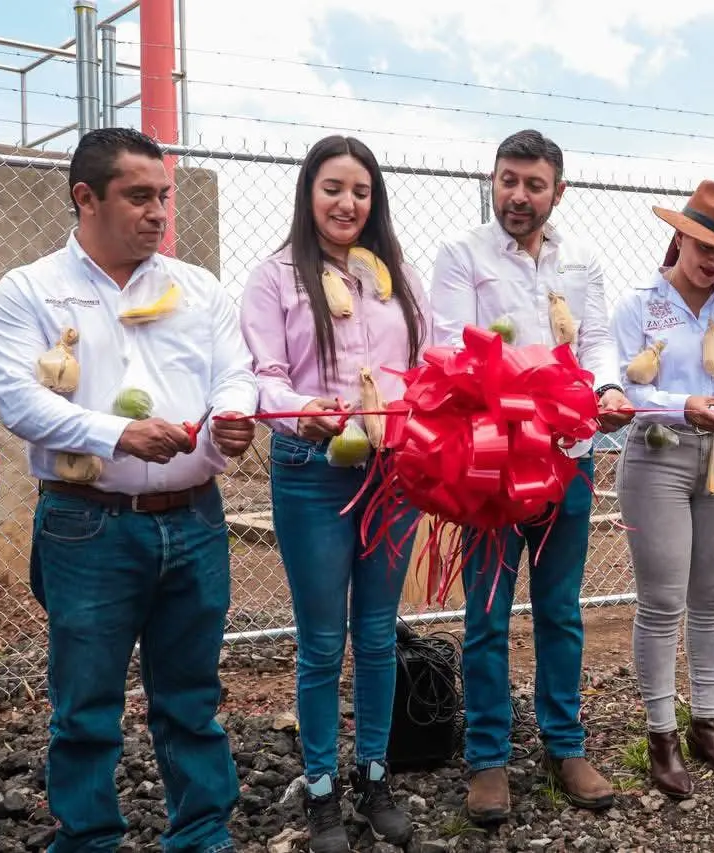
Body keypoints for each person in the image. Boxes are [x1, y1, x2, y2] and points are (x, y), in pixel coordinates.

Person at [0, 127, 258, 853]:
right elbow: (16, 400)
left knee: (192, 697)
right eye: (139, 196)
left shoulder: (197, 288)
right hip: (87, 523)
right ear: (86, 198)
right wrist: (116, 434)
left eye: (164, 195)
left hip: (195, 519)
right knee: (85, 703)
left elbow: (234, 369)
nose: (160, 212)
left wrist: (232, 416)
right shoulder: (31, 290)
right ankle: (88, 836)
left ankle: (200, 833)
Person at [430, 128, 632, 823]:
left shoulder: (582, 261)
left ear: (558, 191)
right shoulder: (461, 255)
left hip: (570, 459)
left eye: (533, 184)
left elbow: (599, 338)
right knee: (486, 615)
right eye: (507, 180)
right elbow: (451, 347)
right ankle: (487, 758)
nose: (518, 195)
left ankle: (563, 744)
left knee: (561, 610)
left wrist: (605, 389)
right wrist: (541, 389)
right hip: (494, 464)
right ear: (492, 180)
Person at [240, 135, 428, 850]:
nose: (347, 203)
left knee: (378, 635)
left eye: (360, 191)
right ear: (307, 193)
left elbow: (423, 361)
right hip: (309, 467)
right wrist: (299, 413)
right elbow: (264, 372)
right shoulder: (275, 276)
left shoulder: (398, 276)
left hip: (389, 470)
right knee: (321, 641)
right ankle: (321, 788)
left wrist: (401, 415)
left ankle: (374, 773)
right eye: (332, 188)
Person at [611, 180, 714, 799]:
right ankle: (661, 736)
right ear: (679, 236)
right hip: (660, 456)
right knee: (662, 601)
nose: (713, 261)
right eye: (705, 245)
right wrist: (683, 404)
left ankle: (706, 723)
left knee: (713, 595)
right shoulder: (639, 305)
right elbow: (623, 388)